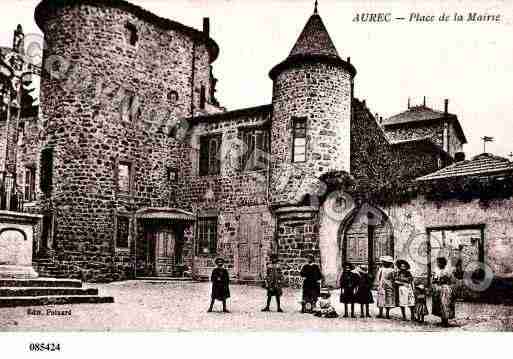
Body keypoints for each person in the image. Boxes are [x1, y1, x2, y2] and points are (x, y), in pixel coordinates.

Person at [432, 257, 456, 327]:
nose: (439, 264)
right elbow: (434, 280)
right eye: (438, 263)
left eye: (440, 263)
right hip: (439, 288)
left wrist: (451, 286)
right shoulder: (436, 271)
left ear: (444, 263)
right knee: (439, 304)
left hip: (446, 289)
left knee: (445, 304)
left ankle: (446, 320)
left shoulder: (448, 271)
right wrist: (435, 286)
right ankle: (442, 319)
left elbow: (452, 280)